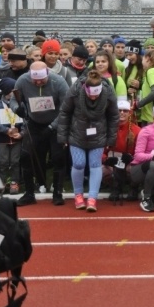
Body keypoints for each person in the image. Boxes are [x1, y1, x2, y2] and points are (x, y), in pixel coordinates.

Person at [57, 70, 119, 212]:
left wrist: (111, 138)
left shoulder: (108, 92)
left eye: (96, 95)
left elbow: (113, 116)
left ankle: (92, 198)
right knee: (79, 164)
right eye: (91, 94)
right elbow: (65, 112)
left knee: (95, 164)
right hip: (76, 134)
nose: (93, 97)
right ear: (85, 88)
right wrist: (63, 136)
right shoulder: (75, 90)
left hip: (99, 135)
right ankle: (78, 195)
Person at [12, 62, 70, 206]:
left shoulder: (59, 82)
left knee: (58, 157)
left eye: (41, 80)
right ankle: (29, 193)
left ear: (48, 74)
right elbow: (13, 98)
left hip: (55, 123)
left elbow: (66, 108)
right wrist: (16, 108)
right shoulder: (22, 80)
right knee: (26, 156)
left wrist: (52, 126)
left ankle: (57, 192)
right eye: (35, 80)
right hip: (34, 123)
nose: (38, 82)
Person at [102, 100, 141, 202]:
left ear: (130, 113)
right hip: (112, 162)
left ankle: (133, 188)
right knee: (100, 170)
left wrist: (132, 159)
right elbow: (100, 150)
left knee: (135, 170)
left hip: (129, 163)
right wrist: (106, 159)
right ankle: (115, 187)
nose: (122, 113)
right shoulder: (107, 129)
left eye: (125, 110)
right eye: (119, 110)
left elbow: (140, 152)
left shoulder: (137, 130)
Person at [0, 78, 22, 194]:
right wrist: (5, 130)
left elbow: (25, 120)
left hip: (17, 138)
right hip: (3, 139)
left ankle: (15, 182)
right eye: (12, 91)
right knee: (3, 162)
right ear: (6, 92)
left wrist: (22, 133)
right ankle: (2, 182)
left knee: (15, 161)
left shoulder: (20, 104)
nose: (15, 93)